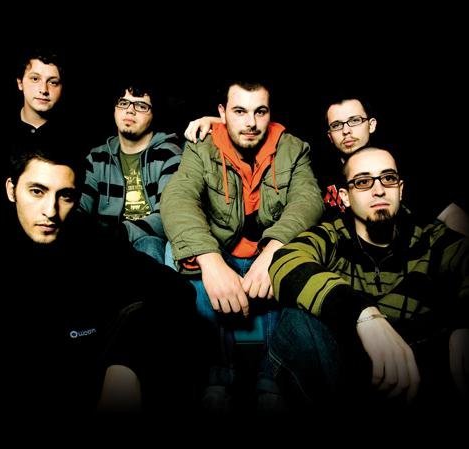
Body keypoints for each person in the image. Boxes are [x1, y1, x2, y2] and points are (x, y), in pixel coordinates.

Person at [0, 143, 197, 416]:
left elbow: (177, 292)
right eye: (37, 191)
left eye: (65, 196)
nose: (50, 211)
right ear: (11, 190)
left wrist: (124, 364)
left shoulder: (91, 241)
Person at [161, 79, 323, 412]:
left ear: (270, 113)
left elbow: (307, 200)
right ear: (222, 112)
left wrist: (274, 251)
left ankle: (271, 377)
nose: (251, 123)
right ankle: (218, 374)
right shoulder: (202, 146)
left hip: (266, 257)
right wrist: (210, 260)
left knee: (300, 257)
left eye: (260, 112)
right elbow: (178, 197)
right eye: (239, 111)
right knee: (176, 252)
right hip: (224, 253)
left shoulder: (293, 148)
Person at [268, 146, 468, 410]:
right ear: (345, 197)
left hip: (419, 373)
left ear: (400, 190)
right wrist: (363, 314)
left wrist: (463, 322)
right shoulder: (331, 236)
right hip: (343, 374)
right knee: (296, 321)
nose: (379, 190)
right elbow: (285, 261)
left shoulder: (432, 239)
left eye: (388, 178)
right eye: (363, 182)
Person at [184, 96, 469, 235]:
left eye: (354, 121)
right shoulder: (318, 165)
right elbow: (269, 133)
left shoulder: (393, 167)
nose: (347, 131)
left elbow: (453, 215)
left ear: (371, 125)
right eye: (337, 125)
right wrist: (218, 121)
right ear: (330, 135)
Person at [79, 80, 182, 263]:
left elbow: (168, 217)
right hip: (104, 244)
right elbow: (80, 209)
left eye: (141, 105)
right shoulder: (97, 157)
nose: (130, 111)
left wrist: (120, 232)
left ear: (154, 113)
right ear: (115, 108)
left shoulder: (169, 155)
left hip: (149, 245)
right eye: (123, 102)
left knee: (148, 244)